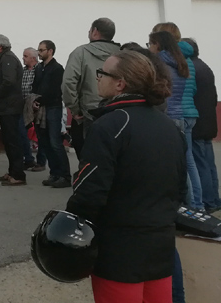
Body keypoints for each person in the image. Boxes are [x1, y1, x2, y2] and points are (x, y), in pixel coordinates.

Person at [66, 51, 186, 303]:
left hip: (119, 250)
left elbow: (90, 193)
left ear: (120, 83)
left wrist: (72, 229)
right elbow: (179, 189)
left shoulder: (110, 126)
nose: (97, 78)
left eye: (102, 73)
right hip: (160, 247)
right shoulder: (169, 127)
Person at [148, 31, 203, 210]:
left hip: (169, 115)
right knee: (189, 162)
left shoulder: (160, 63)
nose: (149, 48)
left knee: (177, 164)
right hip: (182, 114)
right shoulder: (182, 61)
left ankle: (187, 204)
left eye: (150, 44)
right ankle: (197, 204)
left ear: (157, 44)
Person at [62, 18, 120, 159]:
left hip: (88, 113)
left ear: (95, 32)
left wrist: (74, 109)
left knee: (90, 156)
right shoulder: (122, 54)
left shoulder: (80, 52)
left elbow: (68, 82)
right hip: (119, 110)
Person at [183, 38, 221, 213]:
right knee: (209, 164)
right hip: (209, 121)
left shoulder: (190, 69)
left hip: (197, 123)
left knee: (200, 165)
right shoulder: (205, 67)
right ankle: (213, 199)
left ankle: (206, 201)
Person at [0, 34, 26, 186]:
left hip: (9, 106)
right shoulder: (4, 58)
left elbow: (8, 82)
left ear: (0, 46)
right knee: (8, 140)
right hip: (6, 107)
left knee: (12, 141)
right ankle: (12, 171)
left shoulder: (8, 58)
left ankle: (18, 174)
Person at [31, 40, 71, 188]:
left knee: (55, 142)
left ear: (50, 51)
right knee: (45, 142)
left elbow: (55, 91)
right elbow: (35, 86)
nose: (39, 53)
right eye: (38, 50)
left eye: (42, 50)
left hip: (53, 107)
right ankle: (54, 173)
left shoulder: (57, 69)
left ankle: (65, 176)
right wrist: (34, 100)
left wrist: (40, 100)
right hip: (41, 108)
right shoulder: (39, 68)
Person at [21, 47, 45, 172]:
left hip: (37, 105)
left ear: (33, 58)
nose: (23, 58)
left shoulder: (40, 70)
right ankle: (28, 159)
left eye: (25, 56)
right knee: (22, 133)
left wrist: (37, 102)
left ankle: (41, 162)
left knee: (40, 134)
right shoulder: (23, 70)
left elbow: (42, 87)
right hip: (23, 106)